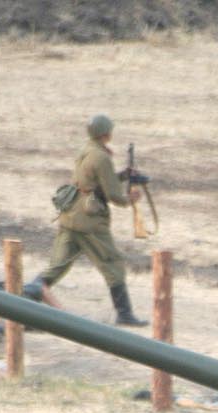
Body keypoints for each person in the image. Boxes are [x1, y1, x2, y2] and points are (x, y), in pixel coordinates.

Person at [30, 113, 147, 327]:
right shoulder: (102, 157)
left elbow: (93, 181)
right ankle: (124, 313)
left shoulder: (87, 150)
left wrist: (123, 175)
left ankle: (24, 298)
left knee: (56, 267)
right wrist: (130, 199)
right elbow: (113, 194)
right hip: (90, 223)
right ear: (106, 134)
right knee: (113, 264)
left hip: (71, 215)